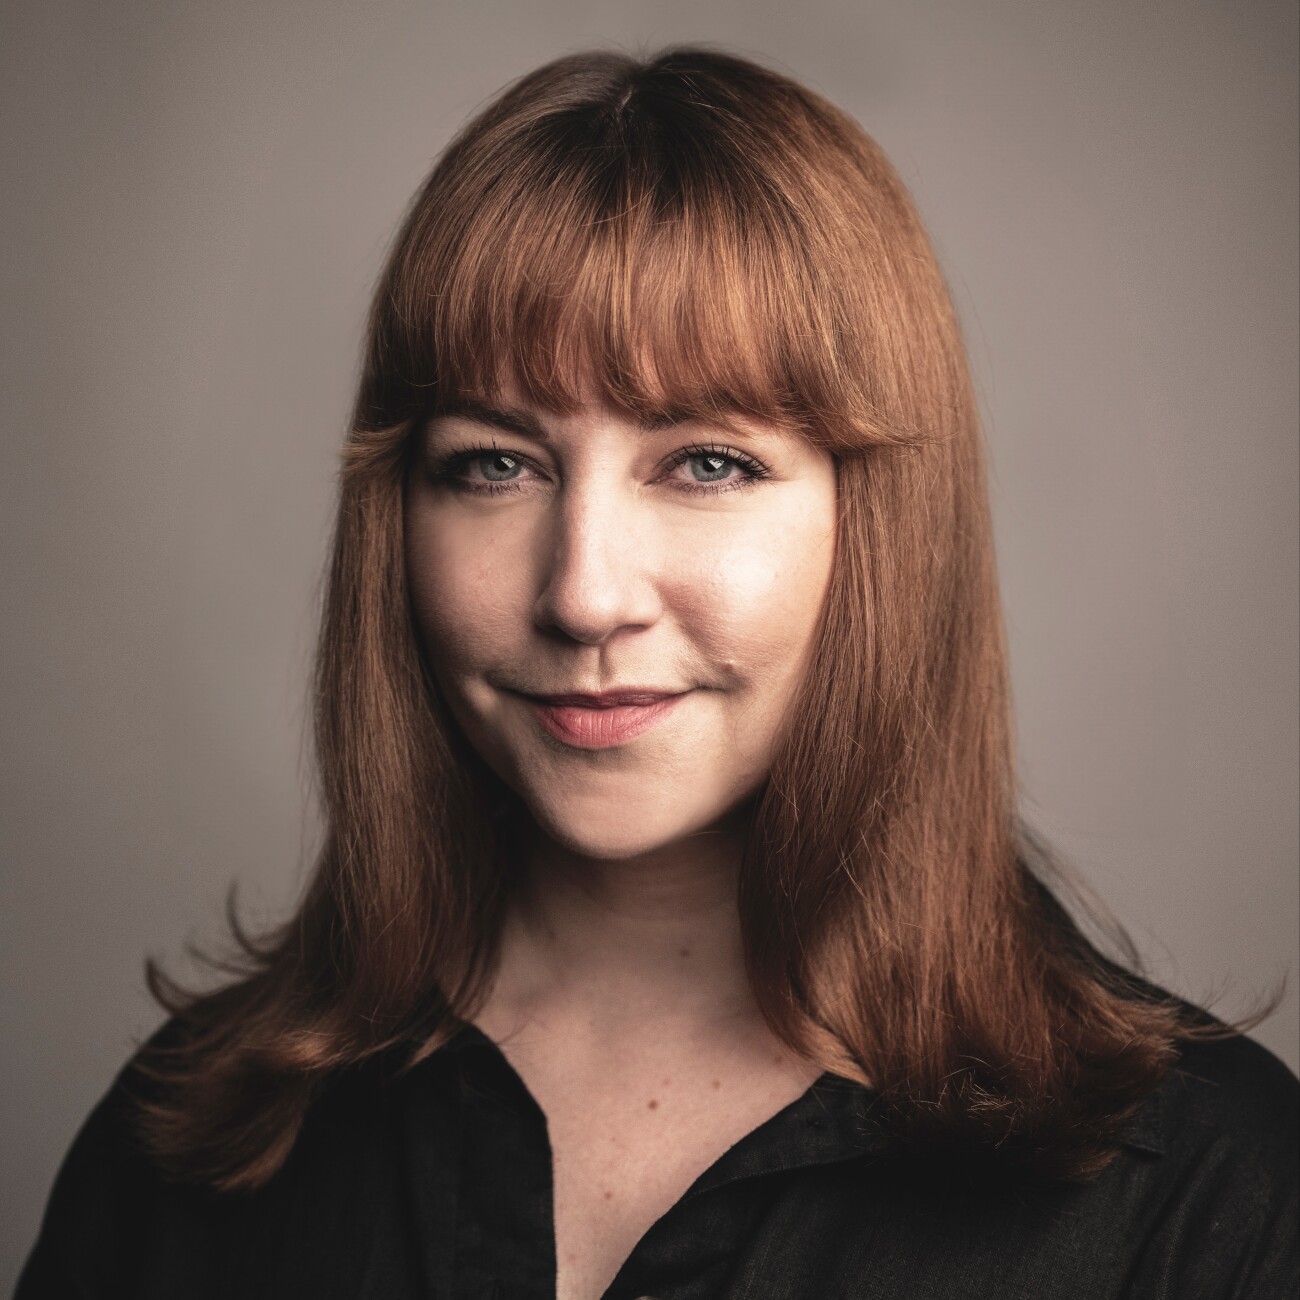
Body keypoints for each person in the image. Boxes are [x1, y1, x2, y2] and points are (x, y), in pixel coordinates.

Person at [16, 46, 1298, 1300]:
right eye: (494, 463)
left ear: (882, 526)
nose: (583, 594)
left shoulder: (1214, 1197)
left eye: (706, 463)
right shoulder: (192, 1142)